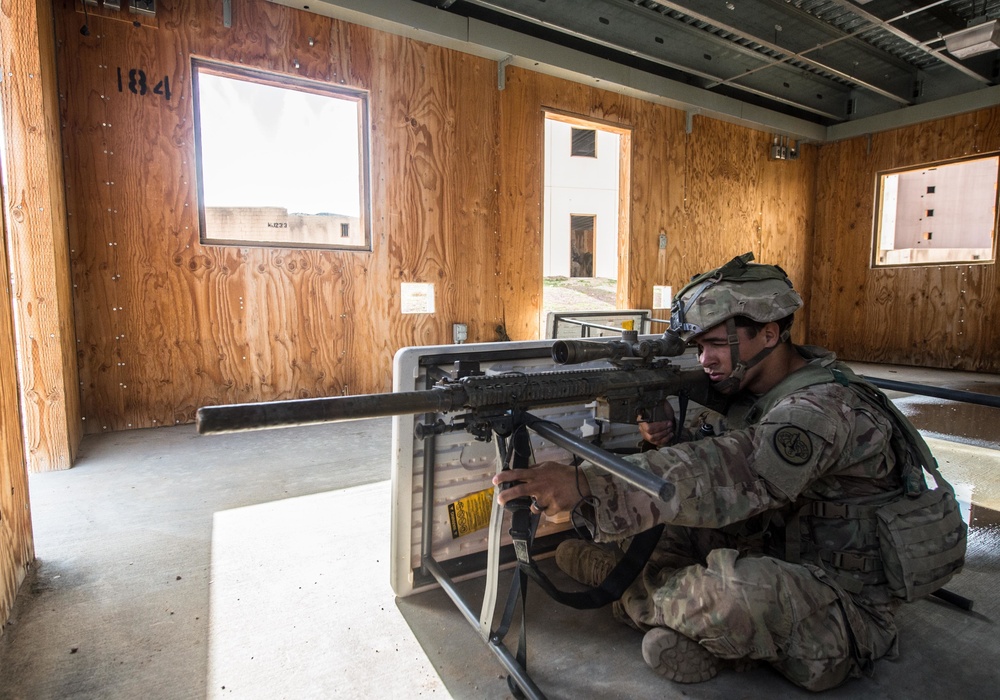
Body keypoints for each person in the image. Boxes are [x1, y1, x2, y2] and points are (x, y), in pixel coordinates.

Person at [494, 253, 965, 691]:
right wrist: (661, 436)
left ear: (770, 332)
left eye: (718, 344)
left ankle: (628, 589)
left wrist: (584, 483)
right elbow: (712, 453)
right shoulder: (761, 385)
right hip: (774, 540)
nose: (705, 360)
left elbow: (728, 469)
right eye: (700, 347)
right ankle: (686, 619)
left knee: (737, 596)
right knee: (667, 527)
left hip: (843, 598)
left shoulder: (821, 407)